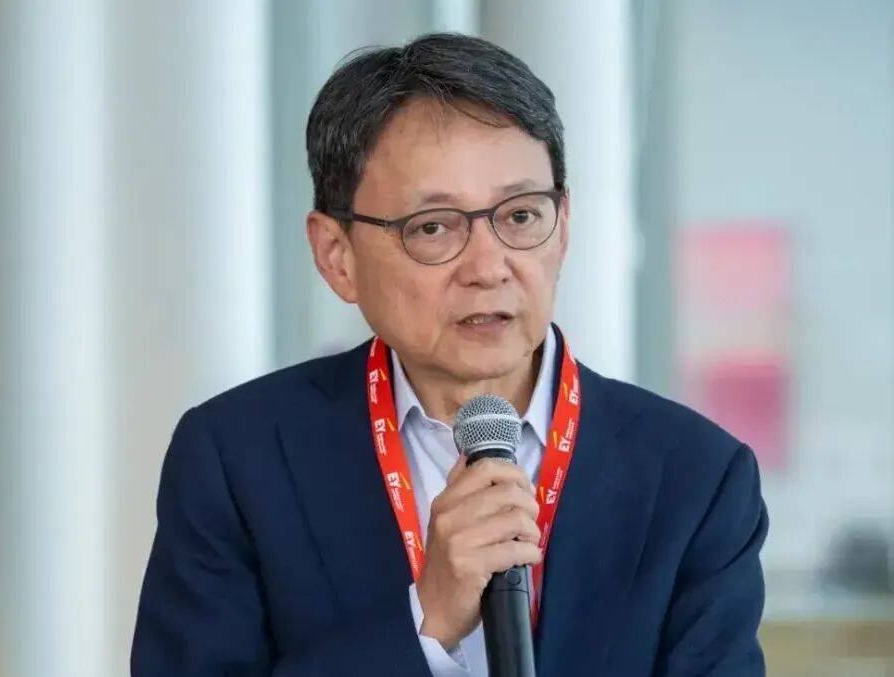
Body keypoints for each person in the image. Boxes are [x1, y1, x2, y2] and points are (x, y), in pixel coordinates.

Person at [130, 32, 769, 676]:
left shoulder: (696, 476)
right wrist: (426, 621)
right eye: (433, 227)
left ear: (564, 227)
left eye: (521, 217)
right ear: (336, 256)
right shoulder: (238, 458)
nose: (488, 267)